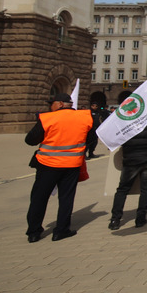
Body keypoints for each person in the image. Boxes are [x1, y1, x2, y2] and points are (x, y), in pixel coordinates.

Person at [25, 93, 97, 243]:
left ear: (59, 104)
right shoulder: (85, 117)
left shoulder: (48, 118)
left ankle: (34, 232)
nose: (50, 106)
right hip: (72, 164)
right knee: (66, 198)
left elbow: (30, 140)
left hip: (48, 164)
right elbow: (91, 139)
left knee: (39, 197)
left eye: (51, 103)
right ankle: (61, 230)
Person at [109, 115, 147, 230]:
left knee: (122, 189)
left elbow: (120, 140)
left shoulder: (126, 122)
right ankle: (140, 218)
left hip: (131, 160)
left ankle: (115, 219)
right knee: (146, 189)